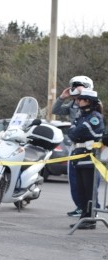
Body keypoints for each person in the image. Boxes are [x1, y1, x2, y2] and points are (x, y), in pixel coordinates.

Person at [52, 75, 94, 217]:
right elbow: (55, 110)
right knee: (74, 179)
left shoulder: (93, 103)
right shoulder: (72, 105)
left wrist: (85, 95)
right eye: (74, 86)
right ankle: (80, 206)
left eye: (79, 85)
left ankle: (92, 208)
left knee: (88, 181)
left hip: (88, 148)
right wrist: (62, 97)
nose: (75, 88)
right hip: (74, 146)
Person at [67, 89, 104, 230]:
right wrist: (75, 131)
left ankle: (90, 218)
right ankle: (84, 216)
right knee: (81, 189)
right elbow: (71, 133)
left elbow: (79, 132)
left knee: (89, 189)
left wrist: (76, 132)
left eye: (80, 99)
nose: (78, 101)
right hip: (79, 154)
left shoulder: (95, 117)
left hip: (89, 156)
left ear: (88, 101)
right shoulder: (81, 116)